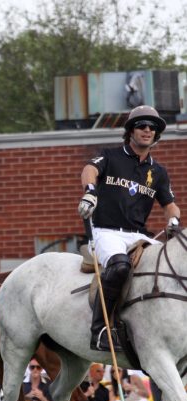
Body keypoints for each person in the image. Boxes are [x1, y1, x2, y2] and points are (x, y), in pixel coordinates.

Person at [78, 105, 181, 351]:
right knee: (120, 266)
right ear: (131, 131)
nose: (147, 130)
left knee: (173, 265)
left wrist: (174, 221)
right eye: (141, 126)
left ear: (156, 135)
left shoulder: (158, 172)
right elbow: (89, 169)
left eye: (152, 128)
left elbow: (170, 205)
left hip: (138, 235)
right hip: (106, 231)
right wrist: (90, 192)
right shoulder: (110, 156)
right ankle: (101, 329)